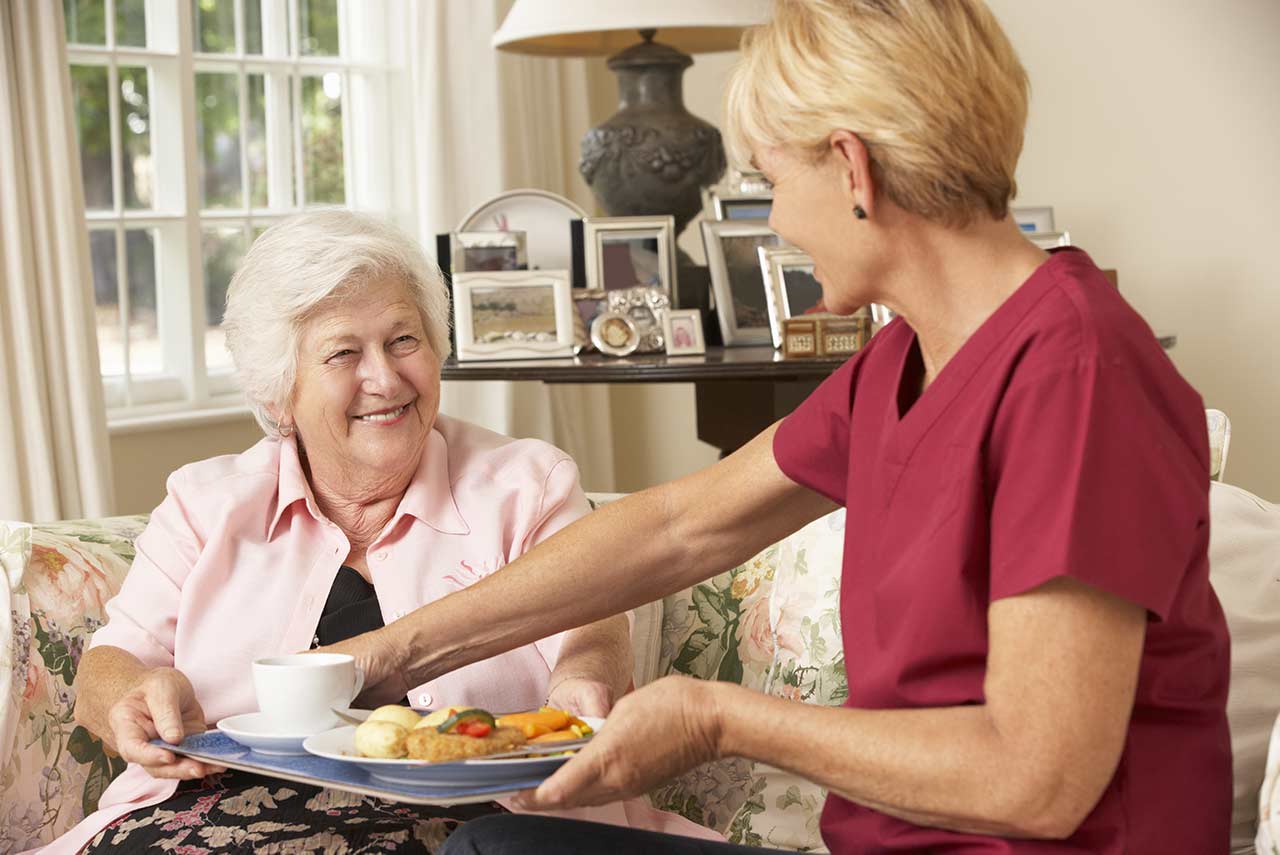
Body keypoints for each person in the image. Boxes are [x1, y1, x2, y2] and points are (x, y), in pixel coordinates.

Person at [332, 2, 1233, 853]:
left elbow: (1040, 777)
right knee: (498, 843)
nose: (772, 219)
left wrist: (718, 718)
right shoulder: (904, 360)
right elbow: (679, 525)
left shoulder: (1078, 372)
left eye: (769, 180)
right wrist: (385, 655)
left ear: (852, 168)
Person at [50, 211, 717, 854]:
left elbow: (589, 623)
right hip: (205, 817)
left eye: (404, 339)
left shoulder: (524, 485)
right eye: (344, 352)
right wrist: (133, 700)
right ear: (280, 394)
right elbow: (109, 665)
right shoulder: (206, 502)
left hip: (469, 820)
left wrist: (585, 678)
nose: (386, 377)